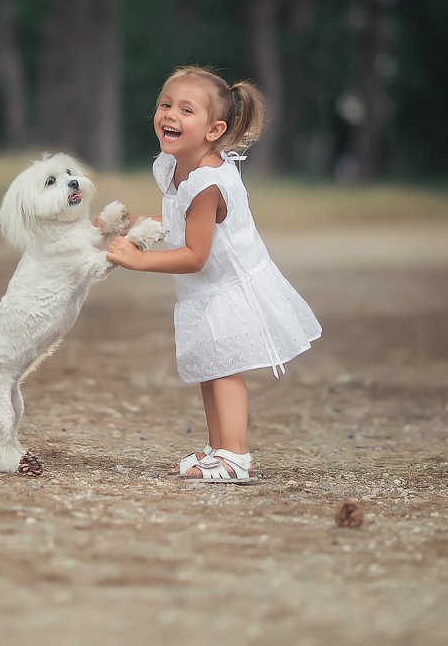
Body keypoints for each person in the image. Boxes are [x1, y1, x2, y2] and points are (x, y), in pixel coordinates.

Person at [106, 66, 322, 483]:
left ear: (213, 129)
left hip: (228, 288)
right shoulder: (175, 167)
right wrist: (135, 229)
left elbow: (194, 255)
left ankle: (235, 455)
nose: (170, 114)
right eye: (165, 104)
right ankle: (217, 448)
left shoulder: (207, 183)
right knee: (208, 366)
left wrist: (138, 260)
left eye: (186, 110)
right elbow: (174, 218)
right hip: (206, 289)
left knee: (224, 370)